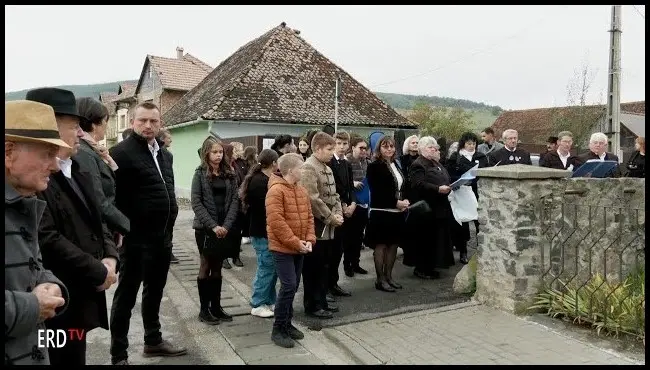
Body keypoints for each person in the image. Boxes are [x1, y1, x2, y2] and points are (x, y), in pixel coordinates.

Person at [26, 88, 120, 365]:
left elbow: (97, 218)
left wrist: (111, 257)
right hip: (55, 296)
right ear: (51, 126)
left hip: (82, 295)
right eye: (75, 126)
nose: (81, 133)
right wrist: (97, 270)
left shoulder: (77, 167)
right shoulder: (34, 177)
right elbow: (47, 236)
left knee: (75, 353)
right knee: (58, 356)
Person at [108, 102, 185, 365]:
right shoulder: (119, 153)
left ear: (160, 122)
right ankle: (118, 355)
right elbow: (111, 199)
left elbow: (167, 191)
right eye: (142, 120)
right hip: (135, 240)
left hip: (162, 238)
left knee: (155, 291)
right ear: (132, 122)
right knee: (126, 298)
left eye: (153, 121)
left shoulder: (165, 155)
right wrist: (121, 232)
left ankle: (153, 341)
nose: (148, 126)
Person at [5, 100, 70, 365]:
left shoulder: (21, 204)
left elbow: (33, 269)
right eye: (47, 153)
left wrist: (53, 287)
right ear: (9, 153)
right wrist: (33, 307)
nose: (55, 166)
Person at [266, 153, 316, 348]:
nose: (303, 170)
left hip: (299, 247)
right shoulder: (276, 191)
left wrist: (310, 239)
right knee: (288, 286)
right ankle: (278, 329)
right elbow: (276, 222)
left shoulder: (300, 190)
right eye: (300, 167)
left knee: (293, 287)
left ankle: (287, 324)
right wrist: (296, 242)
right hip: (283, 248)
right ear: (289, 170)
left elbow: (310, 217)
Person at [191, 136, 239, 325]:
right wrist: (213, 226)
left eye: (221, 152)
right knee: (206, 265)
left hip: (224, 227)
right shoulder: (200, 173)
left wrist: (226, 226)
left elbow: (235, 200)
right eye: (215, 152)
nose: (218, 155)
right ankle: (204, 310)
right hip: (205, 228)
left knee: (218, 267)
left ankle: (216, 307)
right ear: (206, 153)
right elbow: (196, 201)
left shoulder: (229, 173)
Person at [74, 97, 130, 247]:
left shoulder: (93, 150)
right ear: (94, 124)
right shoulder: (84, 153)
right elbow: (98, 200)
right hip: (97, 232)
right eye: (105, 121)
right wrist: (128, 226)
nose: (106, 125)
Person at [299, 132, 343, 319]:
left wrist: (339, 212)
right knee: (313, 268)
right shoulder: (309, 168)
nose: (332, 153)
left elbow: (335, 196)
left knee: (325, 266)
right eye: (329, 149)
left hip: (329, 226)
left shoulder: (327, 167)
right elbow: (313, 199)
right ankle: (313, 305)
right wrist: (330, 218)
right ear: (317, 149)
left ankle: (322, 301)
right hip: (316, 227)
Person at [239, 149, 280, 318]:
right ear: (274, 163)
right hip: (261, 231)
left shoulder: (265, 179)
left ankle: (269, 300)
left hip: (265, 230)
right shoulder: (260, 182)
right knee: (266, 267)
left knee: (271, 268)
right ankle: (257, 303)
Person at [366, 135, 409, 292]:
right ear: (379, 148)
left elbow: (401, 186)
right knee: (381, 245)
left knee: (393, 245)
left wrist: (404, 201)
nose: (389, 149)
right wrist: (395, 202)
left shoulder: (396, 165)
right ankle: (380, 279)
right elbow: (378, 191)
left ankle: (389, 277)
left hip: (397, 212)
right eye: (385, 146)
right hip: (381, 212)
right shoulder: (374, 166)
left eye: (391, 146)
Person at [409, 136, 455, 279]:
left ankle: (432, 266)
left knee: (436, 240)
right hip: (427, 208)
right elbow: (418, 184)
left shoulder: (435, 163)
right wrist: (437, 189)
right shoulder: (418, 164)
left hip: (440, 207)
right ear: (421, 149)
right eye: (430, 147)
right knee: (425, 240)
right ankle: (422, 269)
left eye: (435, 147)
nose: (434, 149)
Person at [446, 132, 488, 264]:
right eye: (469, 143)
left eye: (474, 143)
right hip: (462, 193)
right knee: (463, 224)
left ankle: (482, 250)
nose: (471, 146)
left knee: (479, 222)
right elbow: (450, 175)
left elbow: (486, 172)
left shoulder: (480, 156)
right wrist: (459, 181)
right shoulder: (455, 157)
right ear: (463, 144)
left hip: (478, 192)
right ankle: (463, 252)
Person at [327, 131, 354, 297]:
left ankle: (334, 283)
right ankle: (327, 285)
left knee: (340, 250)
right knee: (332, 250)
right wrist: (343, 205)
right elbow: (335, 188)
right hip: (335, 210)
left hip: (347, 210)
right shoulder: (330, 163)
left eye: (345, 144)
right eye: (339, 143)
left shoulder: (347, 164)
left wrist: (353, 204)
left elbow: (350, 186)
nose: (342, 147)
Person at [344, 137, 370, 275]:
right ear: (353, 147)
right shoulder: (347, 161)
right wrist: (352, 183)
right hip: (351, 203)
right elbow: (342, 181)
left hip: (364, 203)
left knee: (359, 236)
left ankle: (356, 263)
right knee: (349, 236)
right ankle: (347, 265)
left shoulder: (367, 162)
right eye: (361, 148)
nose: (364, 151)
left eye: (365, 148)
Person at [221, 143, 244, 269]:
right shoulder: (223, 168)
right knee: (226, 232)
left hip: (238, 205)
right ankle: (224, 257)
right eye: (234, 151)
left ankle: (236, 256)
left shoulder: (236, 165)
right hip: (227, 205)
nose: (236, 153)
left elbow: (242, 180)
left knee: (236, 232)